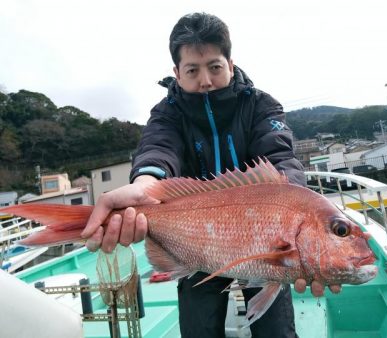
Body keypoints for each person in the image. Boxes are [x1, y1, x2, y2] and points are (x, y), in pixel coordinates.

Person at [81, 12, 341, 338]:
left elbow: (280, 158)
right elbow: (159, 149)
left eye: (215, 67)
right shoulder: (167, 113)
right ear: (176, 73)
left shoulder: (261, 106)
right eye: (192, 70)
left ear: (230, 64)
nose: (205, 80)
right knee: (199, 330)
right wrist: (145, 184)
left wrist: (304, 239)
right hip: (195, 242)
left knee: (276, 331)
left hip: (266, 243)